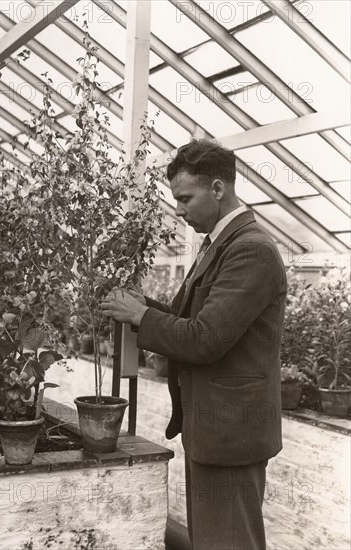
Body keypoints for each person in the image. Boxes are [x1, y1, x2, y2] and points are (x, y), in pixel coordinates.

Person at [101, 139, 287, 550]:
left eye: (185, 198)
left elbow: (206, 339)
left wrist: (141, 318)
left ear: (218, 189)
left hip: (231, 431)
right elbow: (195, 319)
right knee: (212, 539)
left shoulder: (251, 250)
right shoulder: (221, 244)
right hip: (214, 428)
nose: (179, 210)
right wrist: (143, 306)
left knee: (228, 542)